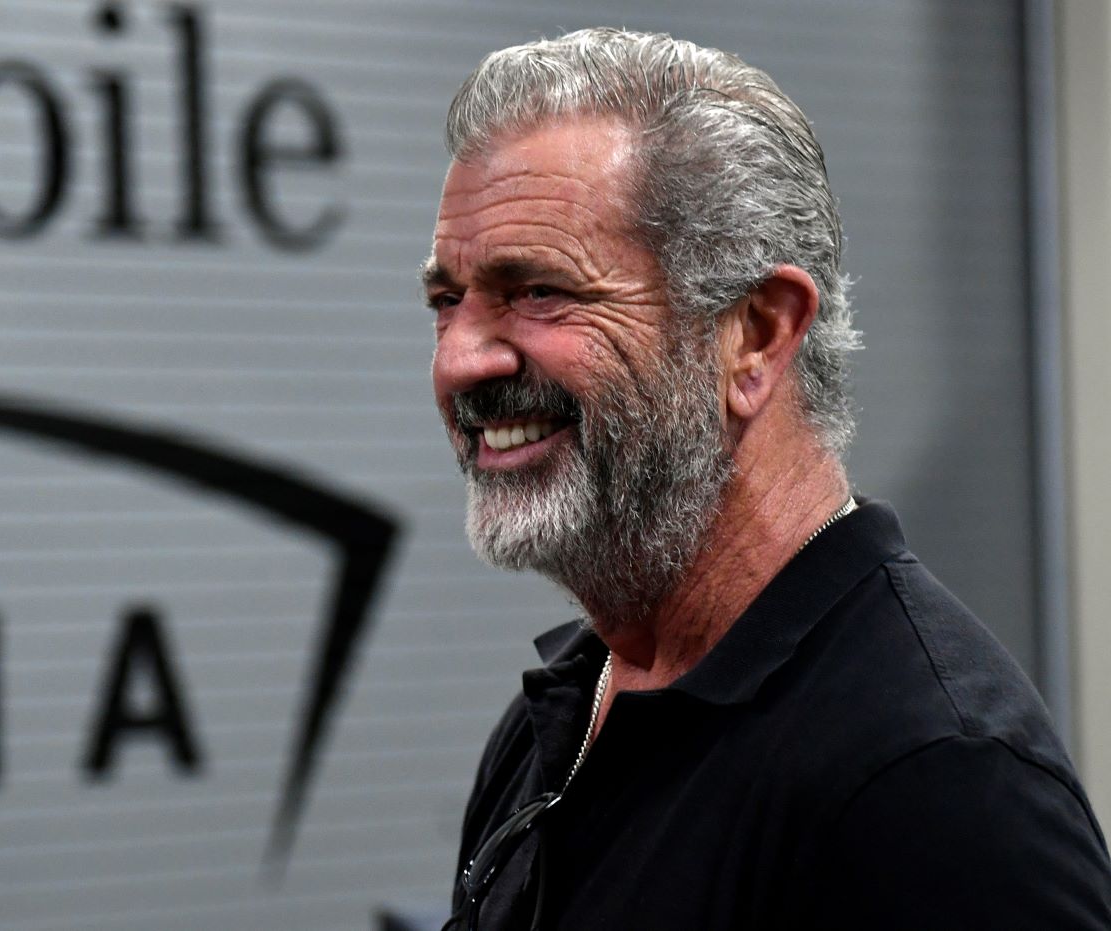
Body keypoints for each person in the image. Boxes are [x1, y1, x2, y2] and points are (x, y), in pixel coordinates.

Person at [422, 28, 1111, 931]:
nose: (459, 361)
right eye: (447, 301)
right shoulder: (561, 719)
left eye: (539, 291)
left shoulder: (936, 783)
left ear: (755, 335)